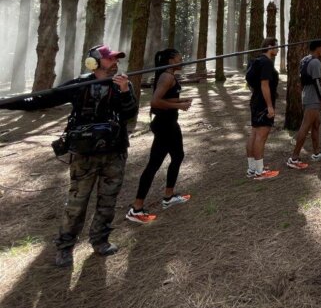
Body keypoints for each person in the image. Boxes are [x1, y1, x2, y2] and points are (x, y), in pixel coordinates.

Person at [0, 45, 137, 266]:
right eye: (110, 59)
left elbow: (130, 113)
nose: (115, 63)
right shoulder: (78, 85)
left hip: (114, 153)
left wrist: (124, 91)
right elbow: (40, 100)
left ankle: (100, 241)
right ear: (93, 63)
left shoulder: (122, 85)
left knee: (108, 200)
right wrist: (6, 102)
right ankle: (65, 247)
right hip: (84, 155)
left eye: (116, 59)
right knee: (76, 202)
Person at [127, 49, 193, 224]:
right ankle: (136, 208)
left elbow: (166, 98)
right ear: (171, 61)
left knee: (178, 156)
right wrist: (179, 106)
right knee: (154, 165)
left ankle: (168, 196)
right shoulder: (167, 77)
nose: (182, 60)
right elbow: (155, 102)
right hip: (164, 125)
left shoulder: (168, 75)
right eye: (180, 58)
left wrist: (180, 100)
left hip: (170, 124)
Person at [287, 40, 321, 169]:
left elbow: (302, 80)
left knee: (316, 124)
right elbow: (317, 82)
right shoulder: (316, 62)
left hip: (306, 95)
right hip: (313, 98)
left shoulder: (304, 60)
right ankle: (294, 158)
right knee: (305, 127)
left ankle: (316, 153)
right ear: (317, 48)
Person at [245, 38, 282, 180]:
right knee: (261, 136)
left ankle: (252, 169)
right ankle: (260, 172)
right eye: (277, 47)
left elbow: (252, 83)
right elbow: (264, 85)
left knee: (254, 134)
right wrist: (269, 106)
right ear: (270, 47)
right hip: (262, 104)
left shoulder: (257, 61)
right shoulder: (266, 62)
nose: (278, 49)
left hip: (255, 101)